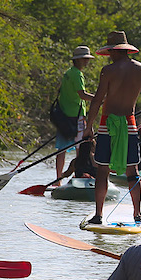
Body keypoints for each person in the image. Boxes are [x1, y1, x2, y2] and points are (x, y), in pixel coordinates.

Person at [84, 30, 141, 226]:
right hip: (129, 125)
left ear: (114, 51)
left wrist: (88, 127)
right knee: (133, 171)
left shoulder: (108, 71)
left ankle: (98, 215)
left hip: (107, 125)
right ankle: (137, 214)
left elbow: (97, 101)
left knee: (102, 170)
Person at [54, 46, 95, 180]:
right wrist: (98, 99)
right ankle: (79, 174)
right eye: (84, 59)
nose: (86, 62)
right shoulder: (77, 74)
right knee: (81, 148)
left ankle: (58, 179)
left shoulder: (68, 72)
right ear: (77, 60)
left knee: (61, 149)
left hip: (63, 117)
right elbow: (82, 95)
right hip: (75, 117)